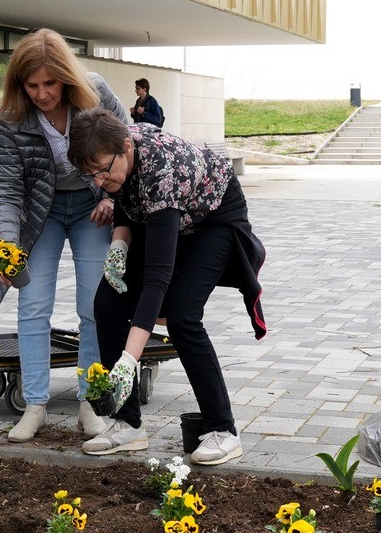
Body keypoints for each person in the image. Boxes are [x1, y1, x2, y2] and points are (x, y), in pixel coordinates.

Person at [70, 108, 267, 464]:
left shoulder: (162, 170)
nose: (98, 181)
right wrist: (119, 245)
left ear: (126, 147)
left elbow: (156, 281)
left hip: (215, 217)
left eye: (102, 170)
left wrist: (129, 361)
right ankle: (128, 425)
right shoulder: (116, 156)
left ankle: (223, 430)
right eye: (90, 174)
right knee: (107, 303)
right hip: (170, 214)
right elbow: (129, 204)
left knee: (182, 315)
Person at [0, 29, 131, 442]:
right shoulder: (11, 118)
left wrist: (113, 197)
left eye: (50, 83)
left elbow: (128, 145)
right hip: (43, 212)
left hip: (93, 209)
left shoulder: (96, 92)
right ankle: (34, 405)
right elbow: (6, 190)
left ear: (66, 77)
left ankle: (90, 402)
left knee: (93, 305)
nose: (42, 94)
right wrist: (6, 248)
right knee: (33, 306)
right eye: (32, 85)